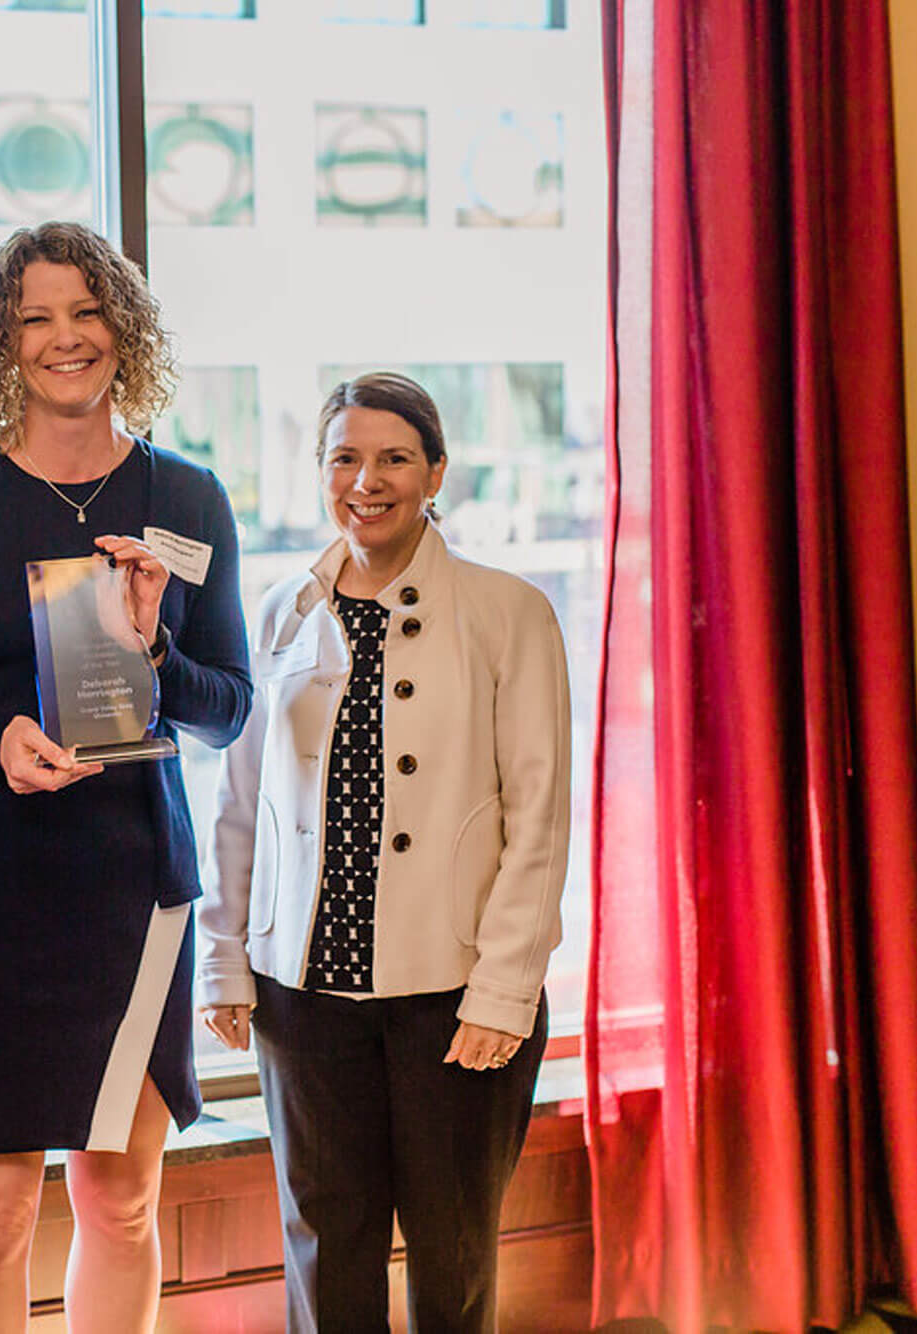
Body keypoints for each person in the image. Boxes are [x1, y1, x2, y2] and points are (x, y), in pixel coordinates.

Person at [0, 221, 252, 1331]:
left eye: (85, 311)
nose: (63, 337)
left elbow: (224, 706)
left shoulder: (187, 498)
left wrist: (152, 652)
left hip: (129, 886)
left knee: (122, 1201)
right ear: (3, 339)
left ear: (123, 329)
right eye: (34, 316)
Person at [198, 372, 569, 1333]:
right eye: (346, 458)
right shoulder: (280, 609)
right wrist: (223, 961)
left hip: (453, 999)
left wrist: (505, 991)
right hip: (302, 993)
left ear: (434, 470)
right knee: (325, 1248)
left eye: (394, 457)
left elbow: (539, 818)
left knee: (452, 1258)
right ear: (321, 473)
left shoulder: (508, 612)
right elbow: (241, 804)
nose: (369, 479)